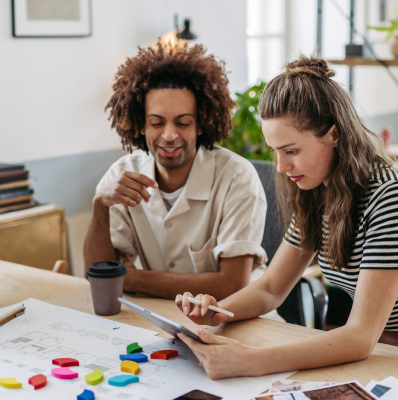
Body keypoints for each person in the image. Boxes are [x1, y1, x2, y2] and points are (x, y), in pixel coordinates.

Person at [175, 56, 398, 379]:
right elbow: (271, 288)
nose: (280, 166)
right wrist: (220, 312)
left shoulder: (390, 196)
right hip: (380, 343)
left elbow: (360, 336)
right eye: (274, 151)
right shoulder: (317, 191)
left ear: (334, 134)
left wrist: (251, 360)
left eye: (291, 151)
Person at [83, 42, 268, 300]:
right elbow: (98, 277)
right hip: (160, 319)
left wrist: (132, 279)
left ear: (201, 123)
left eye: (183, 122)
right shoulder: (123, 173)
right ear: (141, 125)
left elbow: (232, 285)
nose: (169, 135)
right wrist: (100, 205)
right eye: (156, 123)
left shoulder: (237, 177)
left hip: (237, 321)